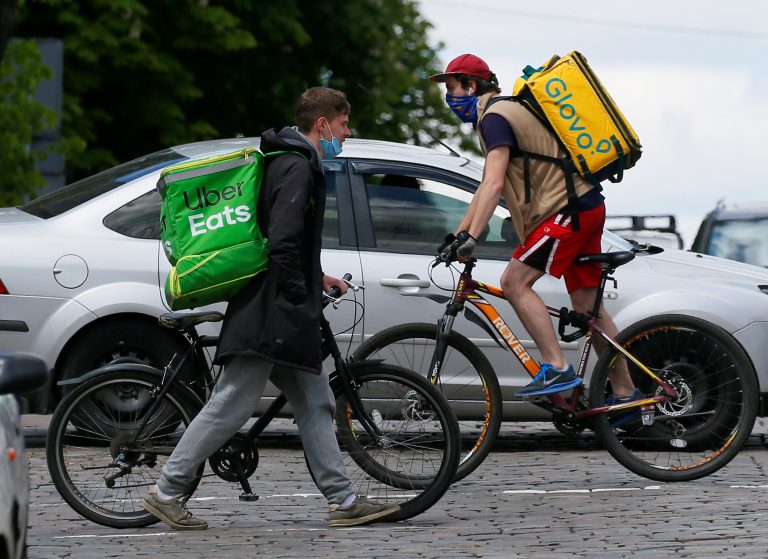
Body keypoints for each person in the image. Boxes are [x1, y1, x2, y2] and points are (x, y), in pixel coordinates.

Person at [141, 87, 400, 530]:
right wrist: (299, 295)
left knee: (315, 400)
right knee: (233, 403)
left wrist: (317, 279)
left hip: (278, 306)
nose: (347, 133)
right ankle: (166, 491)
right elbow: (282, 240)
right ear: (323, 124)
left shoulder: (289, 161)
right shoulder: (297, 167)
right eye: (343, 124)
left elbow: (285, 239)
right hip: (269, 310)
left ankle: (343, 500)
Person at [430, 54, 636, 399]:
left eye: (451, 88)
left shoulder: (494, 118)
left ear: (471, 86)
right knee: (588, 310)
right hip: (583, 205)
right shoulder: (501, 111)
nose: (449, 98)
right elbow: (484, 187)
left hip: (567, 209)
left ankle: (557, 367)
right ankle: (627, 394)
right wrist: (459, 234)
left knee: (514, 282)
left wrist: (472, 237)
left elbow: (494, 184)